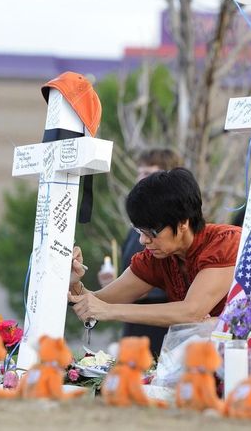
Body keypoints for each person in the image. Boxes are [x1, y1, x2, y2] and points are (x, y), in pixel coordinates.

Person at [68, 168, 251, 345]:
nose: (143, 240)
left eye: (151, 231)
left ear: (182, 223)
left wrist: (111, 311)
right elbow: (95, 305)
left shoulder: (226, 244)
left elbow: (192, 312)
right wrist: (72, 282)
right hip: (243, 346)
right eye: (139, 230)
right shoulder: (157, 256)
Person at [97, 148, 182, 357]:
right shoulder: (133, 232)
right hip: (132, 316)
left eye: (148, 173)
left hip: (161, 317)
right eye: (139, 173)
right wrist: (113, 287)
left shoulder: (176, 229)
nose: (146, 239)